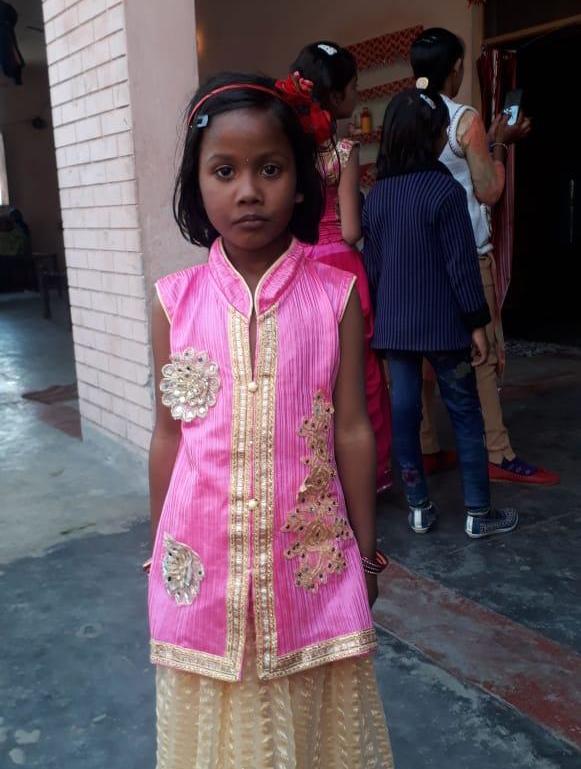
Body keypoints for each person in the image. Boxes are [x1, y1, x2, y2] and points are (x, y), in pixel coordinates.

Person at [147, 72, 394, 769]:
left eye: (270, 169)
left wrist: (365, 552)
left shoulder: (335, 296)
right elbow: (169, 435)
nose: (248, 191)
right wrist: (158, 549)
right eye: (224, 171)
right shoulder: (173, 302)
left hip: (309, 566)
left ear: (301, 180)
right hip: (203, 564)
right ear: (196, 183)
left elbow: (351, 428)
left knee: (310, 728)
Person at [363, 85, 518, 540]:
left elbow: (373, 268)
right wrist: (478, 323)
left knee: (405, 413)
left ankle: (418, 507)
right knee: (465, 412)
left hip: (395, 330)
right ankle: (478, 512)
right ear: (433, 139)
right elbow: (461, 265)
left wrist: (378, 324)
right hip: (445, 327)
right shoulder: (445, 191)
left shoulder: (378, 196)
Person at [410, 27, 559, 486]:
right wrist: (499, 143)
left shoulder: (403, 114)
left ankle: (425, 447)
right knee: (483, 353)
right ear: (455, 69)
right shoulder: (464, 119)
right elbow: (488, 191)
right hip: (466, 256)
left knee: (421, 357)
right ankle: (497, 451)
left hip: (419, 258)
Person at [290, 41, 393, 494]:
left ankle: (314, 475)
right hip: (339, 267)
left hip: (297, 265)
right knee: (359, 375)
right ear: (335, 95)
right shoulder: (344, 151)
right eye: (353, 86)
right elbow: (351, 229)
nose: (357, 93)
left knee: (310, 375)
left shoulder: (288, 152)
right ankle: (368, 474)